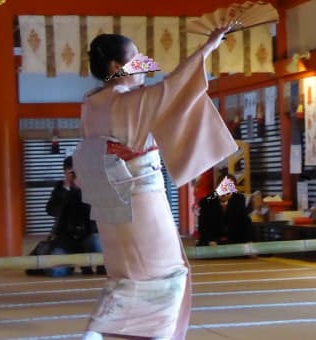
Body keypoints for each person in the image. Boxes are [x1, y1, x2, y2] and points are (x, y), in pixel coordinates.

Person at [72, 27, 238, 340]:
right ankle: (158, 335)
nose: (142, 65)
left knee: (126, 276)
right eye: (135, 59)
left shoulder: (90, 102)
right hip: (140, 196)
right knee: (169, 273)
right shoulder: (131, 100)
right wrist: (209, 46)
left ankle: (96, 333)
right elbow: (176, 85)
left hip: (107, 203)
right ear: (114, 68)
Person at [44, 156, 106, 277]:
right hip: (67, 240)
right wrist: (66, 188)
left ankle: (102, 266)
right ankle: (70, 266)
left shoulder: (92, 187)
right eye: (71, 172)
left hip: (89, 237)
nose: (75, 175)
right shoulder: (60, 188)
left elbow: (97, 211)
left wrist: (82, 189)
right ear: (65, 173)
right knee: (55, 271)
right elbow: (52, 210)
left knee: (97, 240)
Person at [197, 174, 252, 246]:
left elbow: (245, 222)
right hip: (213, 240)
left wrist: (248, 240)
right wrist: (209, 240)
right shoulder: (206, 201)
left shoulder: (239, 199)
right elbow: (202, 226)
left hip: (234, 240)